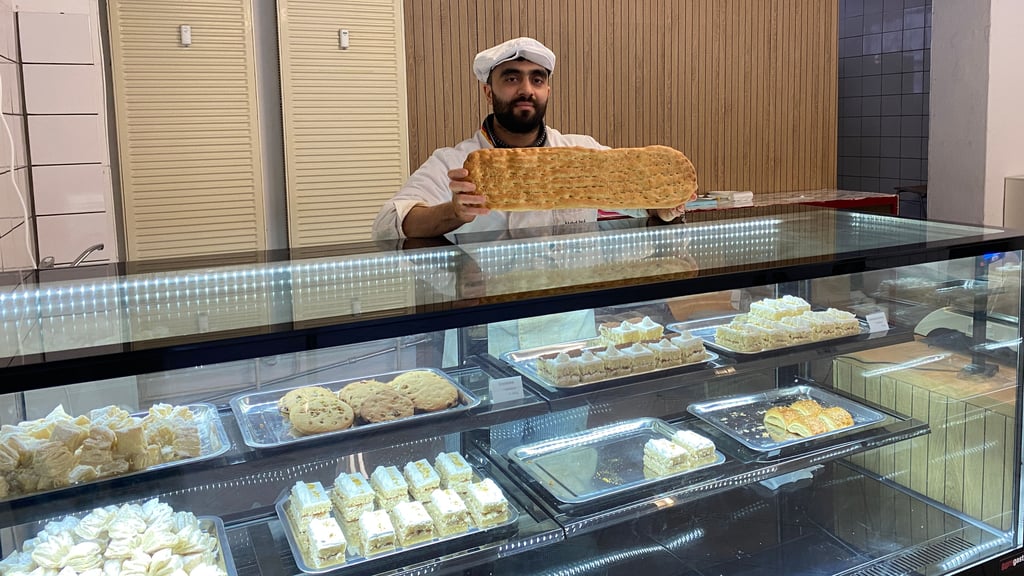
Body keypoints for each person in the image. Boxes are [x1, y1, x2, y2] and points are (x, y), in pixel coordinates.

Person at [371, 36, 687, 241]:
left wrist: (664, 205)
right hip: (488, 325)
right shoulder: (454, 163)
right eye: (511, 78)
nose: (526, 90)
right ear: (487, 91)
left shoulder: (583, 154)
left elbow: (640, 199)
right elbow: (387, 225)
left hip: (571, 324)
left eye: (537, 79)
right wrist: (453, 212)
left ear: (547, 90)